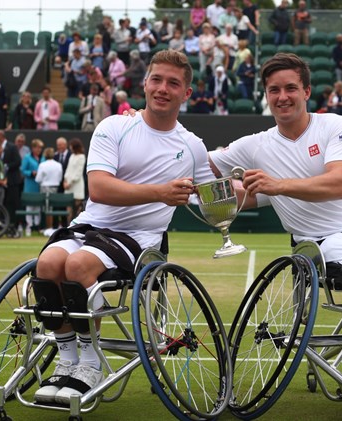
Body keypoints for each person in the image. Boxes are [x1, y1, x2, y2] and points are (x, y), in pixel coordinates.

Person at [208, 52, 342, 408]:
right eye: (274, 90)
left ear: (306, 91)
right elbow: (201, 165)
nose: (282, 96)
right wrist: (143, 124)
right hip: (317, 243)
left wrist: (277, 186)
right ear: (266, 96)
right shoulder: (254, 144)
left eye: (291, 88)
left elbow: (336, 184)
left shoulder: (337, 124)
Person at [32, 50, 215, 404]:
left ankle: (89, 362)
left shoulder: (192, 146)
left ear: (186, 93)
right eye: (157, 80)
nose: (163, 88)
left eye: (173, 83)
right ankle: (67, 360)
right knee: (47, 265)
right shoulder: (114, 125)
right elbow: (99, 188)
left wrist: (267, 186)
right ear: (145, 83)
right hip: (89, 225)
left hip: (140, 239)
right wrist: (160, 192)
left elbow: (215, 199)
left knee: (76, 266)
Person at [21, 139, 44, 236]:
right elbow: (22, 170)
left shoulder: (43, 158)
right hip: (30, 185)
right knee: (30, 207)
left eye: (41, 148)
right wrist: (31, 173)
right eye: (38, 147)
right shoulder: (27, 157)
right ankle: (29, 226)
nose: (39, 150)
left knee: (38, 207)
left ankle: (37, 226)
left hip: (40, 186)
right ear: (33, 148)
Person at [63, 138, 86, 222]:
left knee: (77, 209)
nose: (70, 147)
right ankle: (68, 227)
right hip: (68, 186)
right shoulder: (72, 156)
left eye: (71, 146)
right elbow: (68, 170)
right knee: (68, 209)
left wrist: (70, 182)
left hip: (77, 187)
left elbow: (78, 173)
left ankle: (76, 227)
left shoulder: (82, 157)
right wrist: (65, 181)